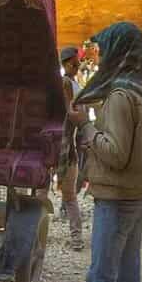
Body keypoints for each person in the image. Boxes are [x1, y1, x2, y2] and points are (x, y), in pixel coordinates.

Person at [48, 22, 142, 282]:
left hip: (117, 194)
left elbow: (115, 153)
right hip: (139, 190)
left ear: (119, 52)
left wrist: (86, 126)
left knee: (100, 276)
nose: (99, 59)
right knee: (128, 271)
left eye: (104, 51)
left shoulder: (120, 96)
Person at [58, 46, 88, 251]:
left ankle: (35, 236)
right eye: (75, 62)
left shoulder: (69, 84)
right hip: (68, 148)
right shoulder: (71, 85)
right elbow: (74, 116)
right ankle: (76, 238)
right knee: (69, 196)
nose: (78, 65)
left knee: (44, 194)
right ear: (68, 63)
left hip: (63, 147)